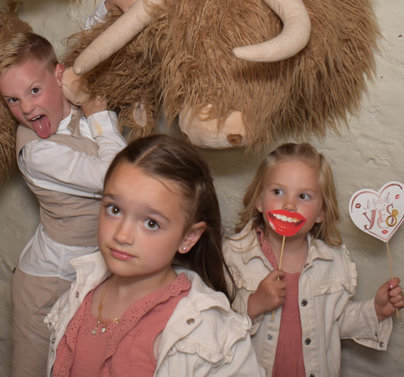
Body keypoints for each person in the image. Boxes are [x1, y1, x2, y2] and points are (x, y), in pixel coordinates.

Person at [45, 134, 264, 376]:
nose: (122, 235)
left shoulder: (214, 335)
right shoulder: (75, 298)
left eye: (150, 223)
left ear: (188, 237)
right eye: (114, 209)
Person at [0, 32, 128, 377]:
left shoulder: (79, 110)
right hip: (48, 285)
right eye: (12, 100)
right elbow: (116, 180)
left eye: (34, 90)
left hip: (95, 275)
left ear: (60, 75)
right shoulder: (37, 152)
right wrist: (101, 117)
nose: (26, 108)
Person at [224, 143, 404, 377]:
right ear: (260, 200)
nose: (289, 205)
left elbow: (333, 323)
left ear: (321, 212)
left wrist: (376, 311)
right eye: (277, 192)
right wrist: (254, 305)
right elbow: (217, 326)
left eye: (304, 196)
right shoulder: (234, 254)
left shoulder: (332, 260)